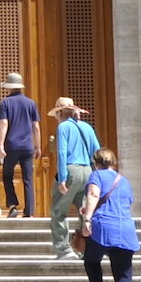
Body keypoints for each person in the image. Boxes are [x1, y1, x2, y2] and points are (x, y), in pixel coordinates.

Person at [77, 148, 140, 282]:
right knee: (124, 274)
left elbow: (94, 195)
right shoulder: (125, 181)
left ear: (95, 163)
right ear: (113, 162)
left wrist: (87, 218)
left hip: (102, 228)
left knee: (91, 260)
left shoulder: (96, 176)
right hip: (125, 229)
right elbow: (126, 202)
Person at [49, 99, 98, 259]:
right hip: (88, 171)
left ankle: (64, 250)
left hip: (71, 170)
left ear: (61, 112)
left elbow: (62, 153)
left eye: (57, 113)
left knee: (58, 210)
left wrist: (62, 178)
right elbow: (97, 151)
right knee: (86, 211)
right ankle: (91, 248)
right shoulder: (87, 127)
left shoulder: (63, 127)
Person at [0, 73, 40, 218]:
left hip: (11, 145)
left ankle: (13, 205)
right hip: (27, 146)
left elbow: (4, 123)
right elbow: (36, 126)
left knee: (7, 175)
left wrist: (0, 145)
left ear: (8, 87)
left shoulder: (5, 103)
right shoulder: (31, 103)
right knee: (28, 178)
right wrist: (37, 146)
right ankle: (29, 211)